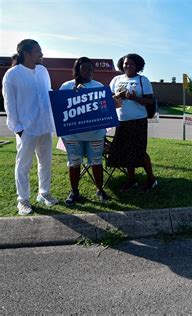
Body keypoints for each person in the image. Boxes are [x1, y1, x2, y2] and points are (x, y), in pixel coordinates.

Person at [2, 39, 58, 215]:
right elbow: (9, 105)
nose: (42, 54)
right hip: (26, 128)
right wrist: (18, 129)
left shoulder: (43, 71)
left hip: (45, 125)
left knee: (45, 162)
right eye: (38, 51)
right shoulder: (12, 75)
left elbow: (48, 95)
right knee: (23, 165)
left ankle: (44, 193)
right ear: (26, 53)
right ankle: (23, 200)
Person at [59, 57, 109, 205]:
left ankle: (100, 189)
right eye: (84, 68)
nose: (88, 71)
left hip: (95, 134)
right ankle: (74, 192)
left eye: (90, 68)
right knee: (74, 163)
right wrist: (71, 96)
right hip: (73, 135)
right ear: (77, 69)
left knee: (97, 162)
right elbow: (59, 109)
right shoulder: (66, 86)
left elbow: (105, 108)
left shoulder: (98, 86)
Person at [109, 53, 157, 192]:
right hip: (121, 121)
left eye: (131, 64)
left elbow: (149, 101)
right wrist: (116, 97)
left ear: (137, 66)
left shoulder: (143, 80)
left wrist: (134, 97)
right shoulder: (116, 79)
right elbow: (110, 97)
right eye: (125, 63)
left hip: (138, 121)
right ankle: (131, 180)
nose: (128, 66)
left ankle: (151, 179)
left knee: (139, 151)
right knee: (126, 151)